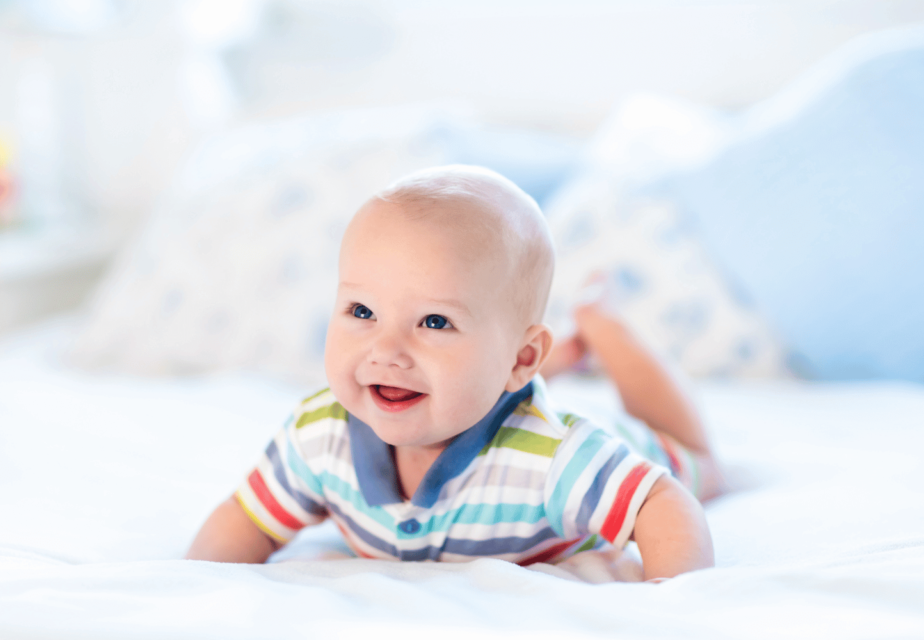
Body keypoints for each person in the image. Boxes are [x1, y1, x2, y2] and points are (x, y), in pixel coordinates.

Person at [186, 165, 724, 581]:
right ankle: (552, 360)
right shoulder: (316, 436)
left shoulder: (554, 457)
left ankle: (598, 324)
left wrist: (668, 602)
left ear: (520, 357)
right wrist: (195, 586)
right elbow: (248, 518)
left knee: (701, 464)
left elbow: (661, 500)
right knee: (470, 380)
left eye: (435, 322)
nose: (387, 349)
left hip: (626, 441)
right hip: (492, 378)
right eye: (362, 312)